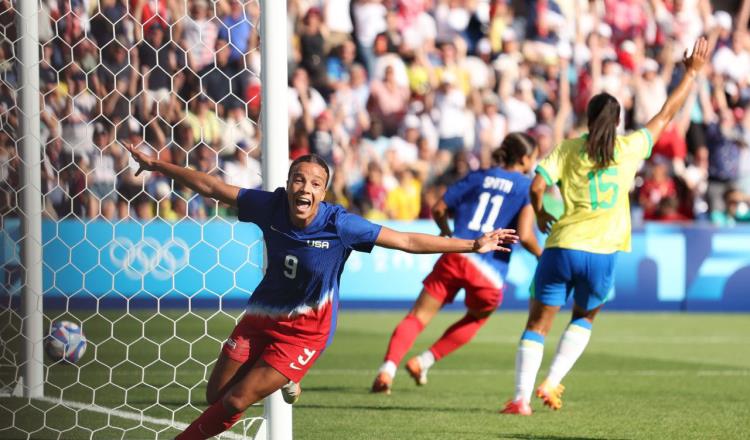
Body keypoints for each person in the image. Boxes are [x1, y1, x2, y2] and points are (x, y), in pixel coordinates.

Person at [124, 148, 518, 439]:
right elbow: (212, 187)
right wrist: (159, 166)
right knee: (216, 396)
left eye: (314, 183)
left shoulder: (341, 225)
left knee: (235, 401)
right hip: (260, 319)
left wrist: (472, 244)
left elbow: (408, 241)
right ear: (288, 183)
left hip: (304, 335)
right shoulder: (270, 205)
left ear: (324, 191)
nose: (304, 188)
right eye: (299, 179)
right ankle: (286, 380)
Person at [500, 38, 709, 415]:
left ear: (588, 115)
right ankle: (553, 380)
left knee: (538, 323)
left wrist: (540, 210)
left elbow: (537, 184)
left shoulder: (567, 149)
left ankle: (520, 399)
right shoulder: (629, 148)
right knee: (583, 318)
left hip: (562, 246)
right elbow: (666, 113)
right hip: (602, 252)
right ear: (618, 122)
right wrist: (691, 73)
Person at [371, 133, 543, 394]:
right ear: (524, 158)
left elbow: (439, 208)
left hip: (457, 253)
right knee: (476, 318)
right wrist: (542, 256)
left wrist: (446, 233)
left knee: (418, 317)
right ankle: (423, 361)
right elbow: (526, 234)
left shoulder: (479, 176)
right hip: (490, 269)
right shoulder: (525, 187)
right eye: (534, 156)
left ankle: (387, 370)